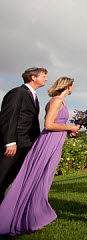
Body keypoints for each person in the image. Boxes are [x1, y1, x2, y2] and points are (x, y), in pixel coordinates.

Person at [0, 77, 80, 235]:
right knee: (40, 180)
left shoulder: (60, 101)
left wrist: (67, 129)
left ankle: (31, 217)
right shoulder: (57, 101)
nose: (73, 89)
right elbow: (48, 124)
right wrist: (69, 126)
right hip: (48, 143)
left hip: (55, 142)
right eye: (72, 86)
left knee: (43, 181)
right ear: (68, 87)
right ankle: (29, 219)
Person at [0, 67, 48, 203]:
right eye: (43, 75)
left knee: (9, 177)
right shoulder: (17, 93)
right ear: (33, 78)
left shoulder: (33, 96)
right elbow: (8, 117)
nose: (46, 78)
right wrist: (10, 142)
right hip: (14, 145)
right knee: (2, 176)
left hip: (26, 143)